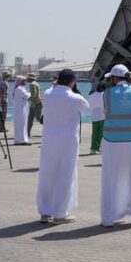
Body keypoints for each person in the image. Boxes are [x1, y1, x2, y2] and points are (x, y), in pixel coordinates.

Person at [100, 64, 131, 227]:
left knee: (111, 178)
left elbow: (104, 112)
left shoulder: (106, 94)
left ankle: (109, 218)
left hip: (112, 140)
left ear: (114, 78)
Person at [37, 69, 89, 224]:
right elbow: (85, 107)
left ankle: (45, 211)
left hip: (49, 139)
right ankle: (60, 213)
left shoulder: (47, 94)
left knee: (47, 173)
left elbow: (49, 94)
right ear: (72, 81)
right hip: (67, 140)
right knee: (65, 174)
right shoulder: (75, 98)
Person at [11, 76, 31, 145]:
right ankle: (22, 140)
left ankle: (20, 140)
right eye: (24, 81)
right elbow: (26, 96)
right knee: (22, 125)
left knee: (21, 125)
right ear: (20, 81)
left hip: (20, 109)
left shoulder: (18, 88)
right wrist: (29, 93)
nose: (25, 82)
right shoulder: (19, 89)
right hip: (21, 110)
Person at [88, 82, 106, 155]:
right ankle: (101, 147)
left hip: (94, 116)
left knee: (94, 133)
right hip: (103, 116)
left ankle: (93, 148)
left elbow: (90, 105)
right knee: (102, 133)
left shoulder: (91, 95)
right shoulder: (104, 95)